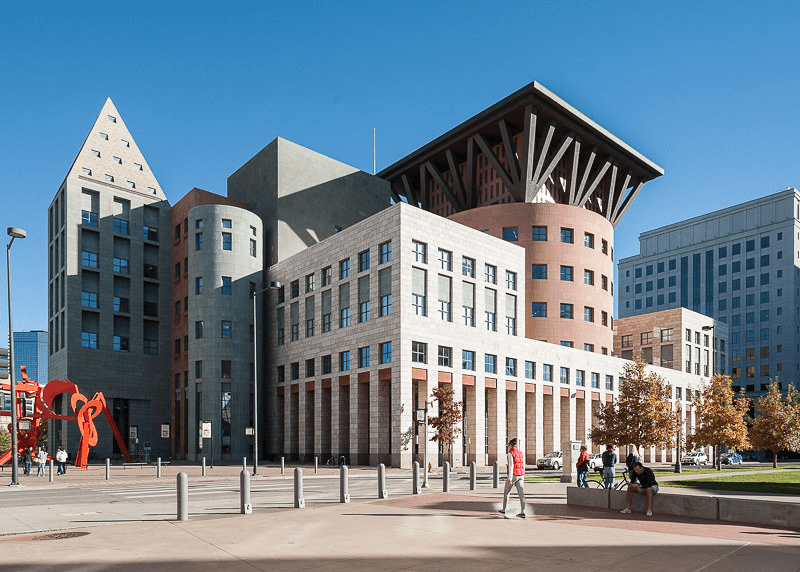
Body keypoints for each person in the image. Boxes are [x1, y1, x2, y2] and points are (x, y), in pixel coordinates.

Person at [499, 438, 526, 518]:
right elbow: (523, 465)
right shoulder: (520, 453)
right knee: (521, 494)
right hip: (521, 475)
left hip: (513, 475)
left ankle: (504, 509)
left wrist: (510, 478)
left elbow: (511, 466)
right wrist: (523, 475)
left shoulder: (510, 453)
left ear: (510, 445)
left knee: (506, 492)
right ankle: (523, 511)